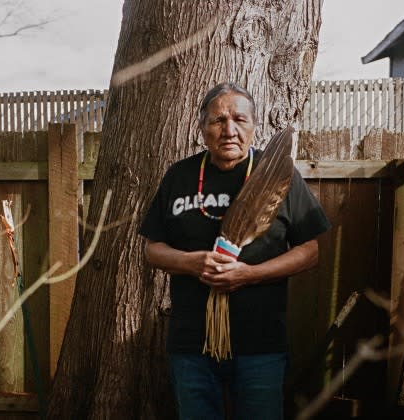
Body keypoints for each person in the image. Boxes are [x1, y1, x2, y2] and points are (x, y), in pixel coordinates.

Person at [139, 82, 331, 420]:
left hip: (260, 344)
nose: (229, 130)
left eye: (240, 120)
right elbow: (152, 250)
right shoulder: (180, 176)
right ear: (201, 129)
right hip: (191, 345)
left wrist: (251, 274)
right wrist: (191, 263)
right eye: (217, 120)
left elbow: (310, 251)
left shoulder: (278, 178)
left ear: (254, 125)